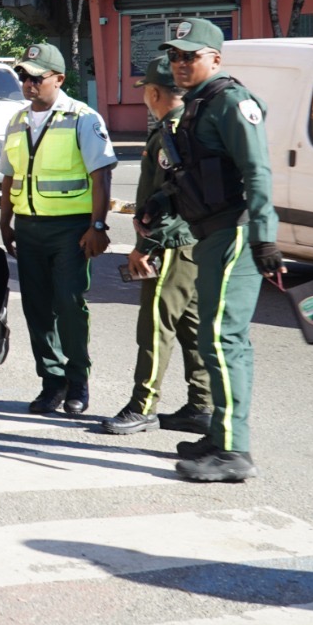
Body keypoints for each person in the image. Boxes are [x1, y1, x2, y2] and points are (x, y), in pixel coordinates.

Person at [156, 19, 283, 483]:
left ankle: (234, 451)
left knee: (223, 338)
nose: (180, 64)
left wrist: (265, 234)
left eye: (190, 56)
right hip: (209, 233)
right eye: (174, 56)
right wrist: (160, 202)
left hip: (233, 234)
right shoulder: (198, 105)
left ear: (215, 58)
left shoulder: (231, 101)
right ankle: (219, 433)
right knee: (215, 338)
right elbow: (199, 171)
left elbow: (257, 171)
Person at [0, 43, 118, 416]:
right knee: (36, 309)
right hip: (29, 228)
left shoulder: (83, 117)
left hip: (70, 230)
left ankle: (77, 380)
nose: (28, 84)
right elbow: (9, 175)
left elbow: (102, 175)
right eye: (23, 77)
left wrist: (97, 225)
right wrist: (5, 220)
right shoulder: (17, 120)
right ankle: (52, 382)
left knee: (68, 304)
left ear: (59, 79)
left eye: (37, 77)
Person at [99, 56, 212, 436]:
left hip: (170, 242)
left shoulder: (171, 132)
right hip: (193, 241)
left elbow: (173, 196)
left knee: (155, 327)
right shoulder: (192, 125)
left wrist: (147, 247)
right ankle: (202, 404)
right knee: (191, 326)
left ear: (153, 92)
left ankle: (143, 405)